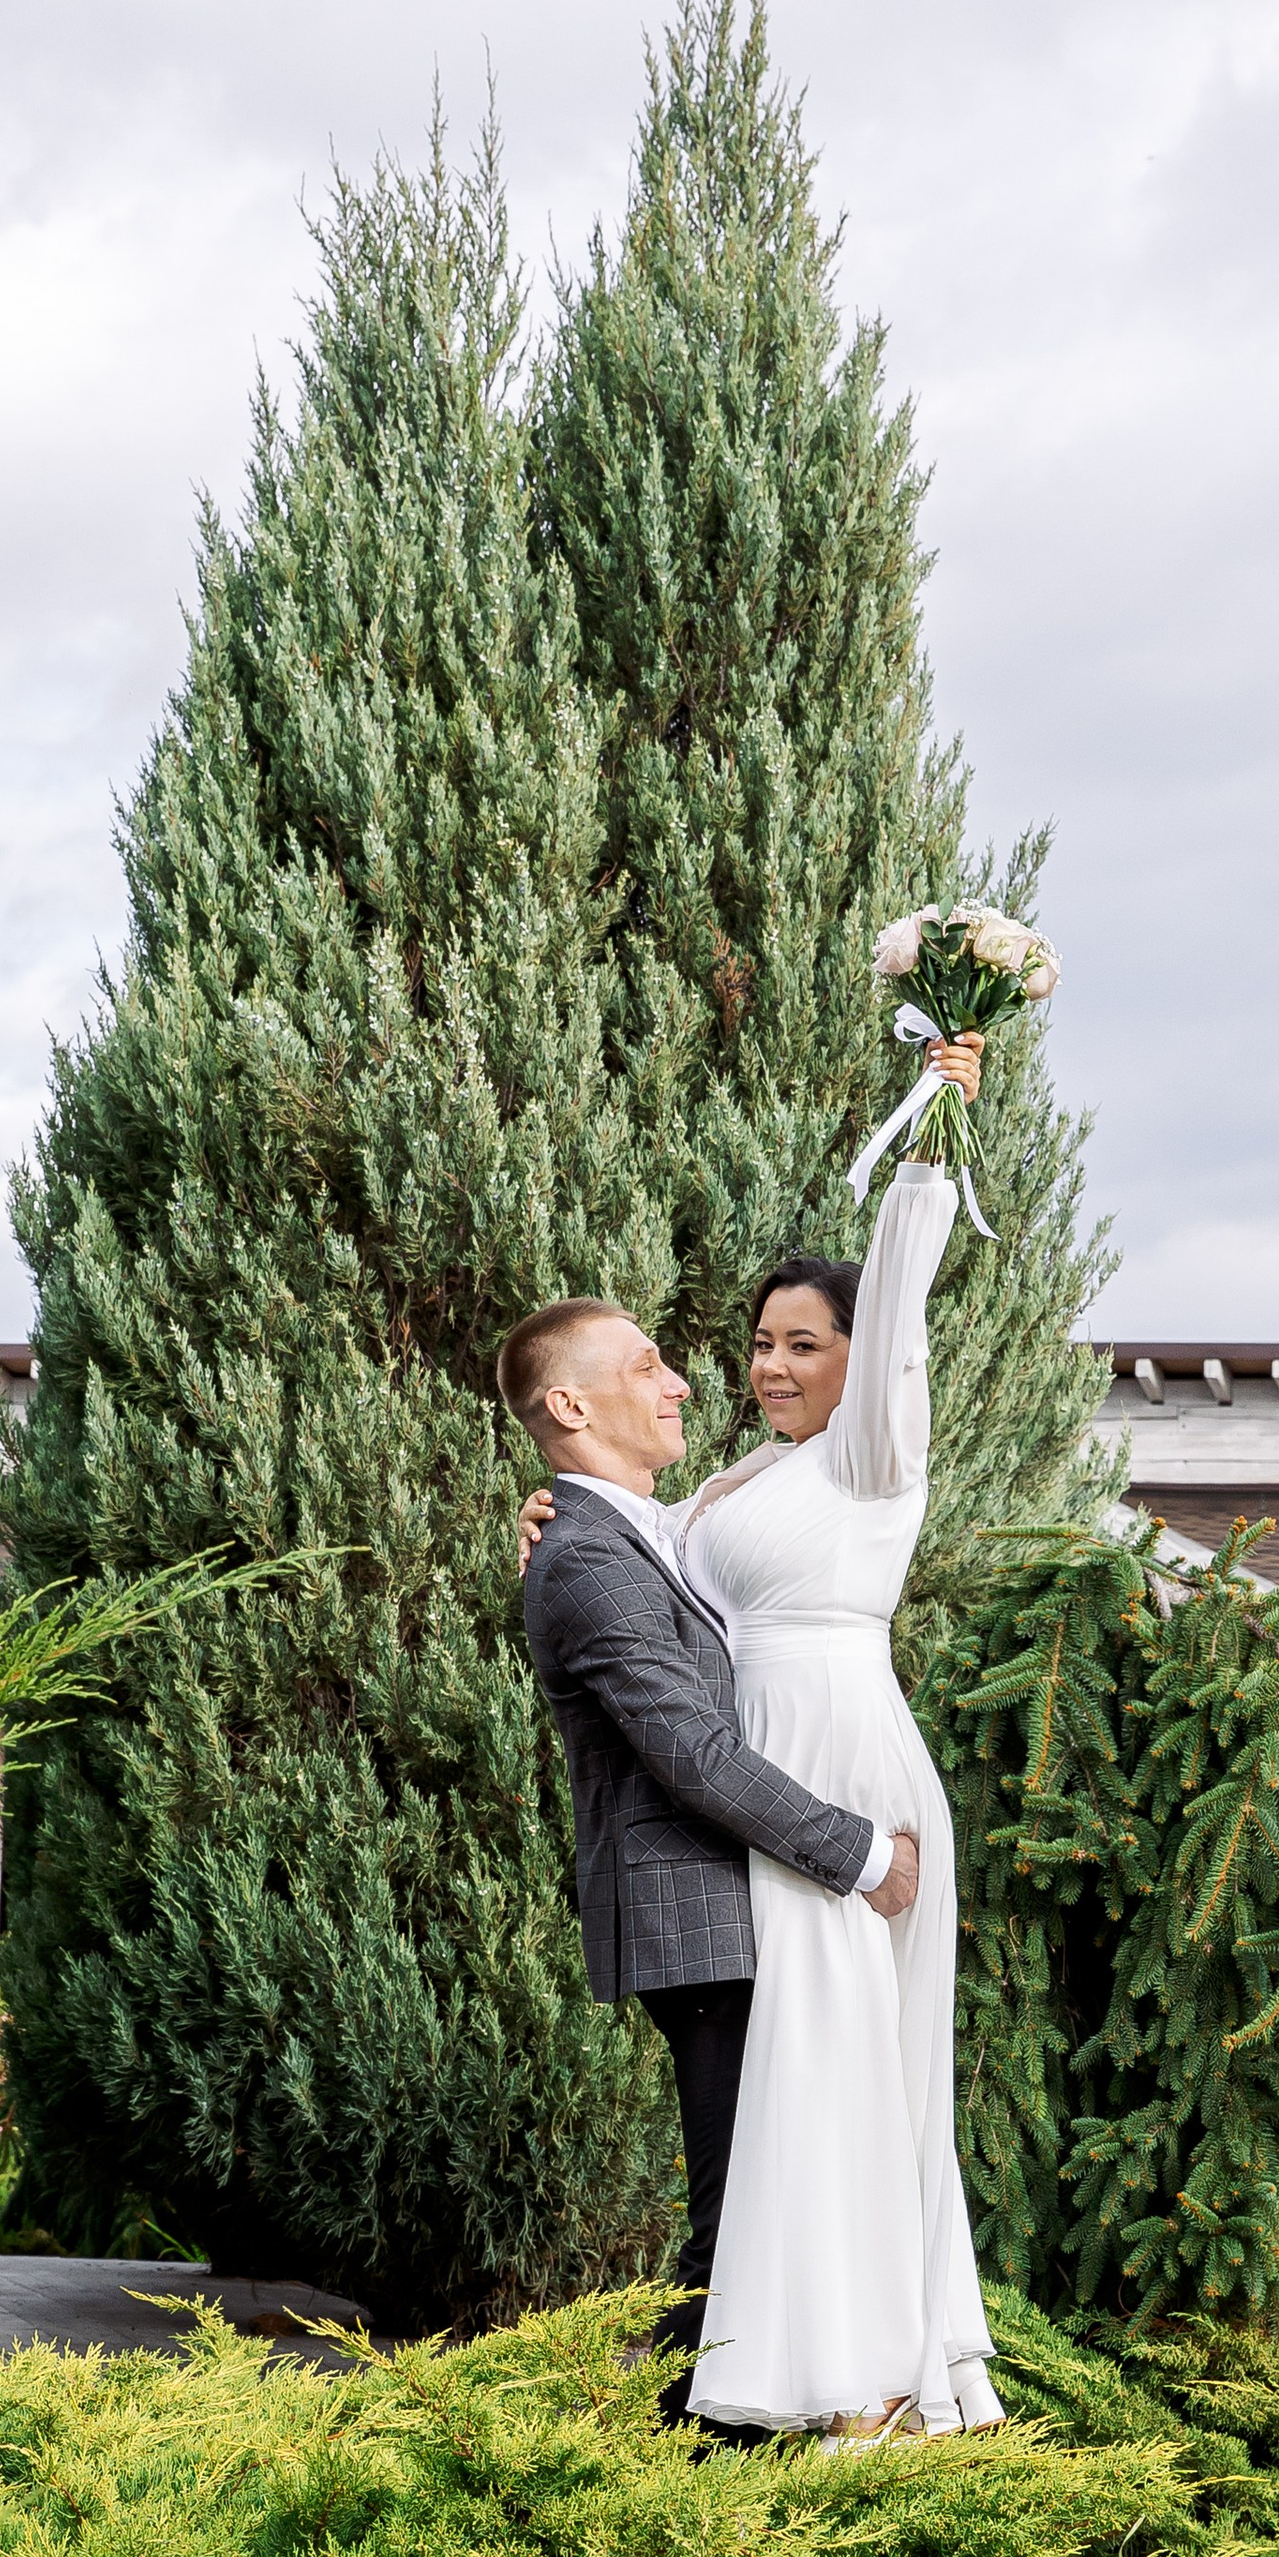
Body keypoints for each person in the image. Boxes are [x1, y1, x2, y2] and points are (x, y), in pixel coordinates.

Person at [512, 1035, 1002, 2441]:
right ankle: (788, 2393)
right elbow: (648, 1568)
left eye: (808, 1342)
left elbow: (900, 1309)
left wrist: (930, 1142)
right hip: (766, 1813)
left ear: (863, 1362)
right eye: (762, 1342)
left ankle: (839, 2384)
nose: (770, 1363)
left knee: (843, 2102)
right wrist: (548, 1516)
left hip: (832, 1770)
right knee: (790, 2121)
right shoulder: (735, 1481)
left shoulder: (873, 1448)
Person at [496, 1282, 924, 2425]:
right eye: (644, 1366)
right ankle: (693, 2456)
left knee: (764, 2195)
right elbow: (688, 1749)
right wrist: (856, 1853)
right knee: (738, 2207)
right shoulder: (586, 1561)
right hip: (701, 1917)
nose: (681, 1379)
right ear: (570, 1406)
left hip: (743, 1905)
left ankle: (723, 2444)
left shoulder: (638, 1530)